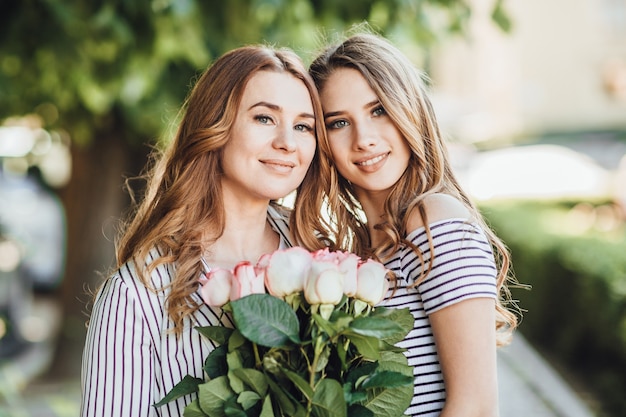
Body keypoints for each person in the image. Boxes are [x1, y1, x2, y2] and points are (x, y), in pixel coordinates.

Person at [80, 44, 325, 417]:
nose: (287, 143)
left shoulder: (324, 264)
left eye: (303, 126)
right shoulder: (138, 294)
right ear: (215, 127)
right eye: (264, 118)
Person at [302, 31, 520, 417]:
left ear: (409, 110)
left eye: (378, 110)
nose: (364, 139)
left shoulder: (433, 219)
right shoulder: (360, 254)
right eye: (339, 123)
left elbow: (476, 406)